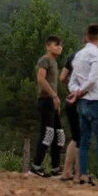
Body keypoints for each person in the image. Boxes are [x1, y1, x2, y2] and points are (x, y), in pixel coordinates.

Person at [66, 24, 98, 188]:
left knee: (84, 139)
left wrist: (75, 92)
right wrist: (81, 91)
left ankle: (83, 175)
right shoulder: (96, 53)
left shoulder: (79, 55)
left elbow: (71, 80)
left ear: (86, 36)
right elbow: (94, 78)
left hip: (81, 102)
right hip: (93, 100)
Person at [58, 37, 98, 182]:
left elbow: (62, 77)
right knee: (86, 138)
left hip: (71, 100)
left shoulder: (74, 56)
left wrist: (74, 90)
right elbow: (95, 81)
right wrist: (82, 92)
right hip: (87, 100)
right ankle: (80, 174)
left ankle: (67, 171)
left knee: (76, 137)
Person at [30, 35, 65, 177]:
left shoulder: (54, 63)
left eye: (60, 45)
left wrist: (56, 100)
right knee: (48, 134)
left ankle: (56, 168)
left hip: (52, 102)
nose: (59, 48)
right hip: (45, 100)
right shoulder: (44, 60)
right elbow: (41, 79)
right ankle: (36, 166)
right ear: (48, 46)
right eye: (56, 45)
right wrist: (54, 95)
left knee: (59, 135)